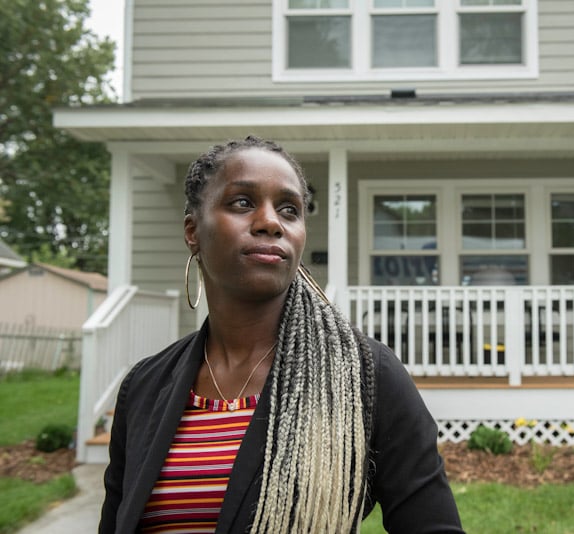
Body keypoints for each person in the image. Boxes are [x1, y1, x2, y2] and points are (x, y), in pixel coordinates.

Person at [98, 136, 463, 533]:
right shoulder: (145, 388)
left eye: (289, 210)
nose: (271, 222)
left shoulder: (363, 375)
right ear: (192, 231)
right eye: (242, 202)